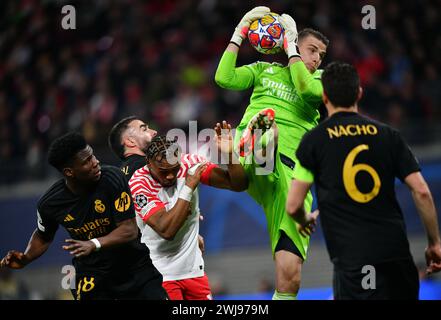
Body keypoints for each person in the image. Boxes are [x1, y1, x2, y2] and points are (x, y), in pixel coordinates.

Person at [286, 61, 441, 299]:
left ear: (324, 96)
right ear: (359, 92)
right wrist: (434, 243)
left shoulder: (314, 141)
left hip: (353, 263)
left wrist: (305, 218)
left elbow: (294, 205)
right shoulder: (388, 135)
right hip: (397, 256)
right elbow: (421, 191)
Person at [214, 6, 329, 299]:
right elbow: (224, 79)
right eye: (312, 50)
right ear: (288, 42)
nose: (317, 58)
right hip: (258, 158)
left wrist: (292, 48)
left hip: (291, 179)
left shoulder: (320, 80)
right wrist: (239, 32)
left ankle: (254, 142)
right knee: (269, 134)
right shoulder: (263, 69)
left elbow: (308, 93)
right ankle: (256, 138)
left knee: (290, 279)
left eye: (321, 55)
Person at [0, 132, 168, 300]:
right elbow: (43, 236)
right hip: (92, 273)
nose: (96, 162)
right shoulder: (50, 203)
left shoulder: (113, 179)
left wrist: (93, 243)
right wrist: (26, 257)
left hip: (134, 267)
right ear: (69, 172)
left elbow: (129, 229)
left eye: (93, 155)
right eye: (87, 161)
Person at [128, 122, 248, 300]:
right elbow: (166, 230)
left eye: (174, 170)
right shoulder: (139, 183)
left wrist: (229, 154)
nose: (170, 176)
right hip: (159, 273)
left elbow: (238, 184)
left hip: (194, 272)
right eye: (163, 171)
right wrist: (188, 187)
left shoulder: (189, 164)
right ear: (148, 163)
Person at [108, 115, 206, 252]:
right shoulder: (148, 170)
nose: (154, 132)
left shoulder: (118, 175)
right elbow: (167, 220)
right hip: (155, 257)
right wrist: (191, 233)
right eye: (144, 129)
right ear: (130, 141)